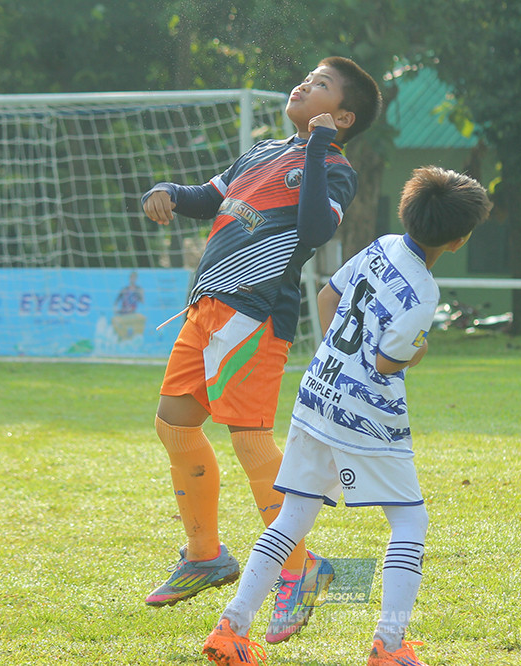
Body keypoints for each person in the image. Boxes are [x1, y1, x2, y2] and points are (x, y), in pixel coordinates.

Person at [201, 166, 492, 666]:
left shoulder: (379, 245)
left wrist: (337, 355)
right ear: (460, 240)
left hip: (317, 393)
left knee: (292, 515)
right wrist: (415, 352)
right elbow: (386, 362)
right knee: (410, 521)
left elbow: (328, 297)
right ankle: (389, 644)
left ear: (408, 209)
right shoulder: (424, 295)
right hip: (365, 416)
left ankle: (231, 628)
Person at [140, 56, 382, 643]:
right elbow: (212, 196)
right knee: (174, 426)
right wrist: (171, 191)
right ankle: (205, 555)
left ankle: (300, 567)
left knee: (249, 438)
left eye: (321, 85)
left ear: (342, 116)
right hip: (206, 305)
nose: (304, 84)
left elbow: (312, 230)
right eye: (308, 77)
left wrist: (321, 147)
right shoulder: (263, 151)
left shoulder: (334, 168)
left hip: (253, 314)